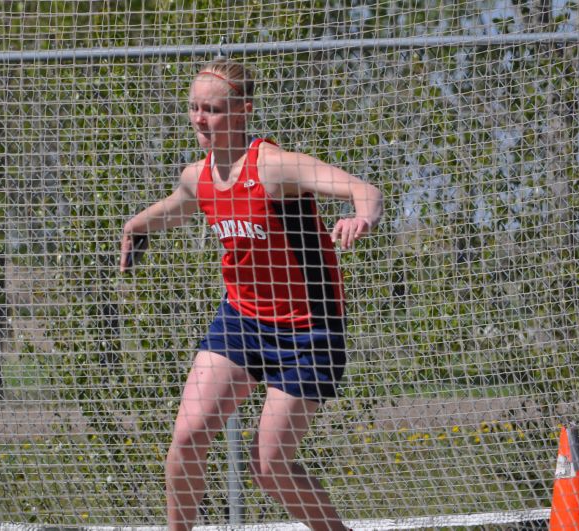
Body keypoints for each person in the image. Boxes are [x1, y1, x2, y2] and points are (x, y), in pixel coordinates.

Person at [119, 57, 383, 531]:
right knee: (187, 438)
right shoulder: (197, 175)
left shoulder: (274, 168)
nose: (200, 119)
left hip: (309, 331)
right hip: (241, 321)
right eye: (195, 108)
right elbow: (176, 209)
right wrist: (135, 227)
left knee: (270, 467)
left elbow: (364, 189)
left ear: (243, 111)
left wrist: (360, 216)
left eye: (213, 110)